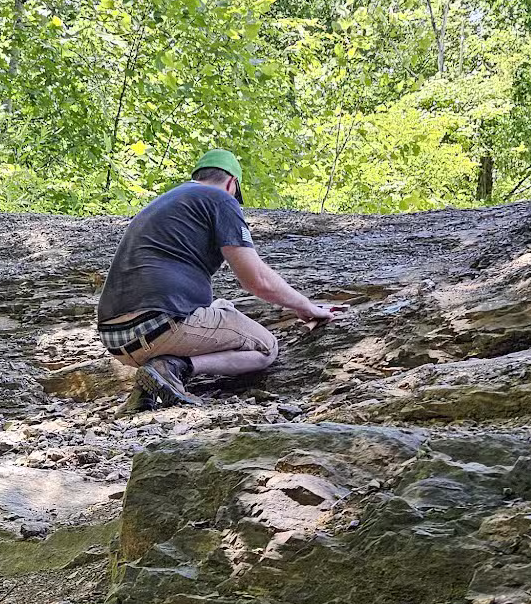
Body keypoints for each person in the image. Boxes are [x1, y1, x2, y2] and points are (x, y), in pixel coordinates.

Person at [96, 148, 345, 410]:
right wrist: (306, 307)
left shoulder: (167, 202)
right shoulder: (220, 199)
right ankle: (172, 367)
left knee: (222, 306)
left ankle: (145, 393)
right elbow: (255, 279)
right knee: (266, 347)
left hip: (116, 339)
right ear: (231, 183)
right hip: (162, 323)